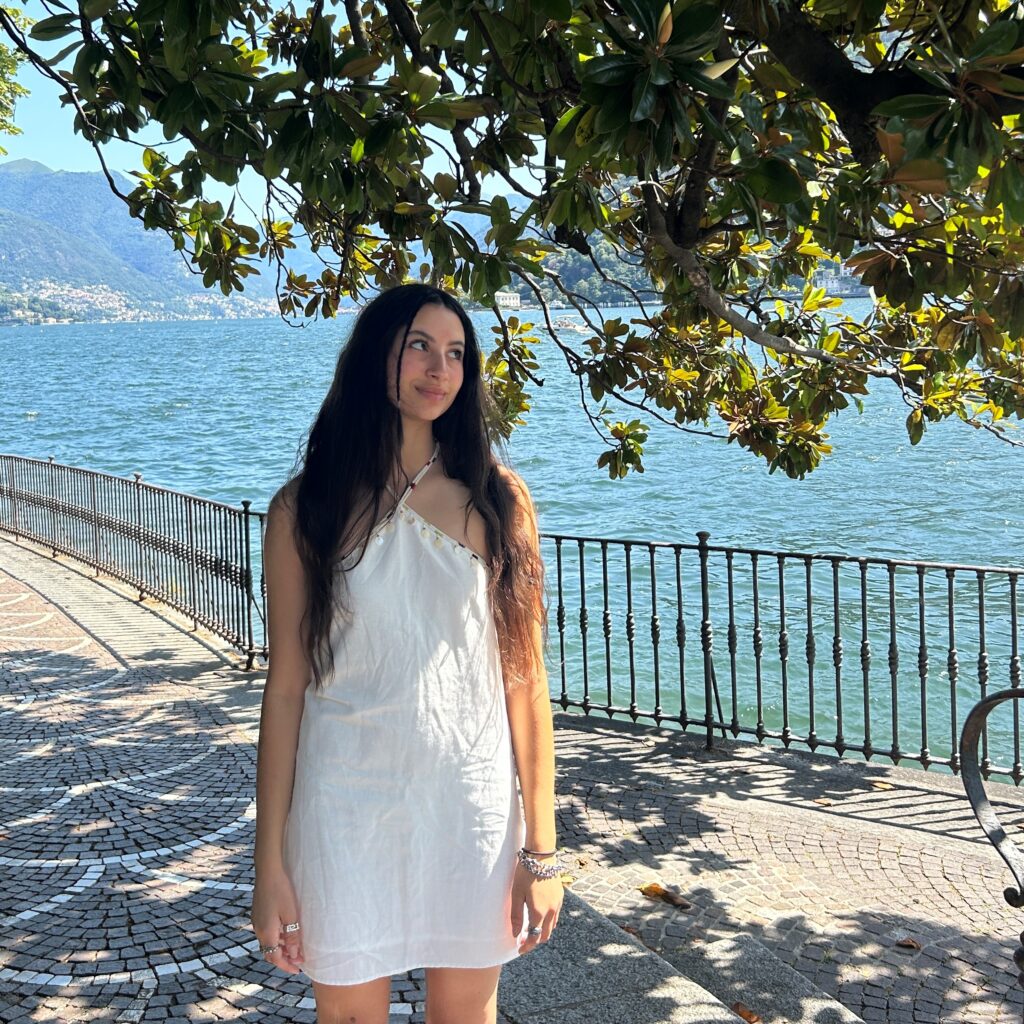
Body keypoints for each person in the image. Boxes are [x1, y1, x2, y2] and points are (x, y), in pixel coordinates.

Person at [250, 284, 563, 1024]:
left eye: (456, 352)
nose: (440, 367)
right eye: (419, 344)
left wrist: (541, 853)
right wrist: (270, 864)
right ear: (374, 357)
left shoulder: (498, 499)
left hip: (470, 812)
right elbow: (287, 690)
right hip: (344, 808)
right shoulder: (306, 509)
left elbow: (525, 684)